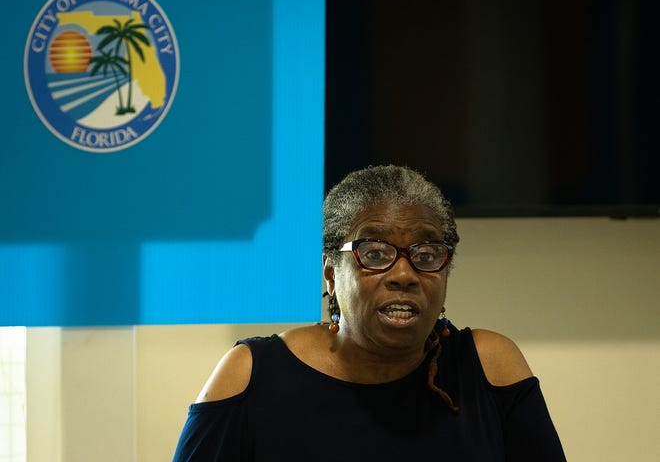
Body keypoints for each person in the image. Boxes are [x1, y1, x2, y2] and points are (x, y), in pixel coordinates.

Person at [172, 165, 566, 461]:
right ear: (330, 273)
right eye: (375, 254)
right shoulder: (251, 376)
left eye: (427, 256)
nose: (404, 275)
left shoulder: (489, 367)